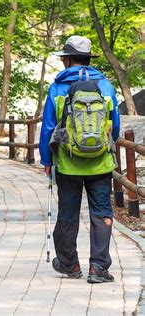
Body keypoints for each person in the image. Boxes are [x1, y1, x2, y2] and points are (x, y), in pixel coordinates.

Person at [39, 35, 120, 284]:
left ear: (67, 60)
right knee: (101, 211)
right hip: (100, 162)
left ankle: (69, 263)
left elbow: (48, 127)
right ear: (88, 58)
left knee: (68, 212)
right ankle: (98, 267)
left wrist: (46, 159)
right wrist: (105, 146)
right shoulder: (105, 86)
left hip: (67, 162)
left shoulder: (58, 87)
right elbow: (114, 125)